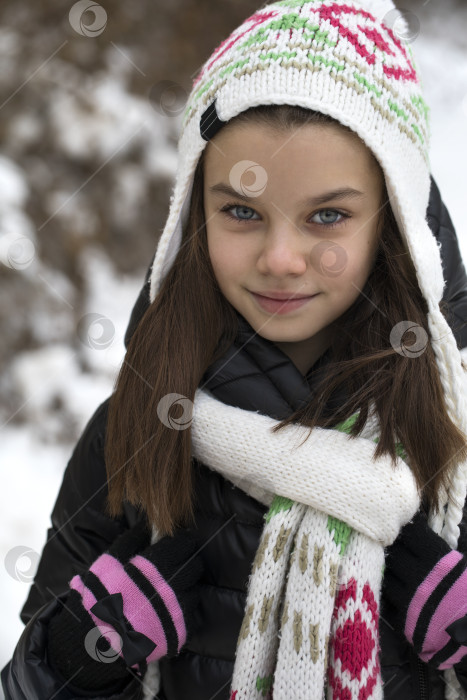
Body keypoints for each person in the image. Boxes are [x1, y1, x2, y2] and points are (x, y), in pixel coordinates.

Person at [3, 1, 467, 698]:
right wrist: (78, 652)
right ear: (195, 215)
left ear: (393, 222)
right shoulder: (134, 429)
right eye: (242, 212)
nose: (280, 258)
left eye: (328, 216)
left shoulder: (451, 437)